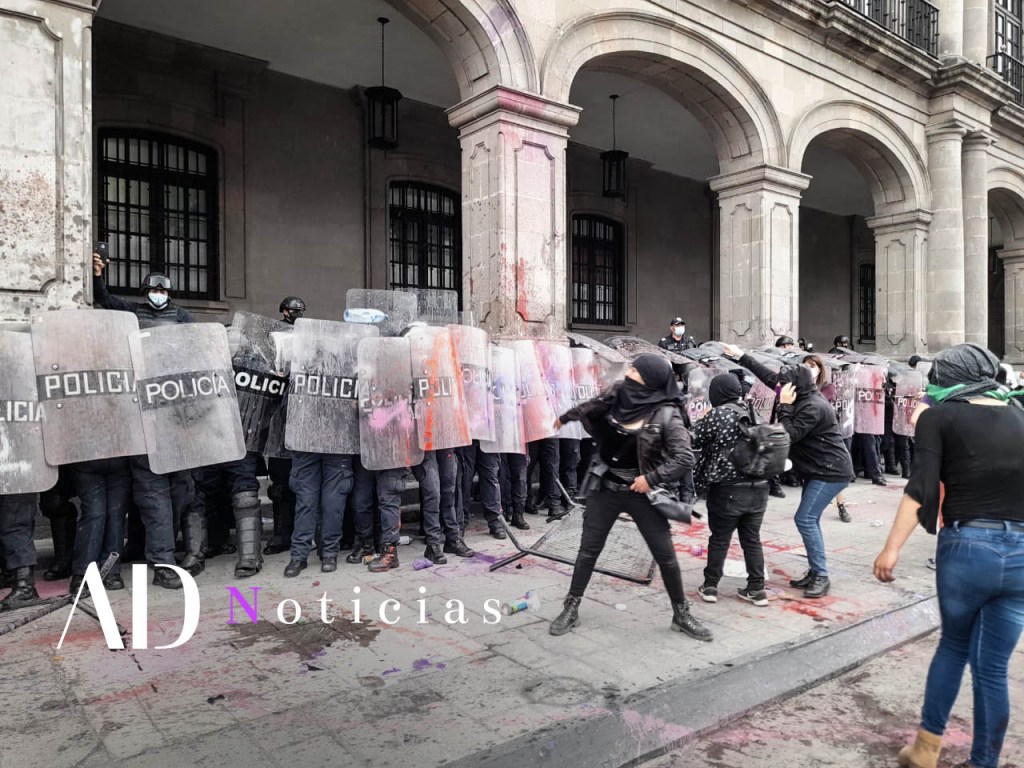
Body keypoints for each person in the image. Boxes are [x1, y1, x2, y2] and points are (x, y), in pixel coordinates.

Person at [873, 343, 1024, 768]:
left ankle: (926, 749)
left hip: (968, 545)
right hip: (1020, 554)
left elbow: (921, 488)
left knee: (954, 647)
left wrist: (891, 548)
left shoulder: (938, 417)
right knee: (992, 670)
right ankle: (984, 762)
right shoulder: (1019, 414)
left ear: (947, 379)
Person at [548, 354, 711, 641]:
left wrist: (651, 479)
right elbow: (591, 406)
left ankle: (681, 613)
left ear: (650, 379)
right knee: (588, 551)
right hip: (606, 489)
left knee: (665, 555)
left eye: (636, 370)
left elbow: (685, 458)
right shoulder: (618, 394)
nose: (629, 372)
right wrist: (565, 417)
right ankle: (570, 607)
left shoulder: (666, 413)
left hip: (643, 494)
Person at [93, 253, 193, 589]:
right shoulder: (133, 314)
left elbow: (199, 351)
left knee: (180, 493)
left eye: (163, 291)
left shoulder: (182, 317)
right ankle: (163, 563)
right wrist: (97, 276)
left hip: (176, 418)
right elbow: (105, 301)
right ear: (145, 292)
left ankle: (154, 549)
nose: (158, 295)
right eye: (154, 290)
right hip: (143, 417)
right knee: (154, 495)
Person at [725, 344, 853, 598]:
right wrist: (741, 356)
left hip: (831, 471)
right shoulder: (801, 393)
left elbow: (788, 435)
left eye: (784, 385)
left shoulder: (813, 406)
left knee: (805, 519)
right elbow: (770, 377)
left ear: (794, 387)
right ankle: (816, 571)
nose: (780, 388)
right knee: (809, 520)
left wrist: (783, 406)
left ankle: (821, 575)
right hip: (817, 470)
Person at [690, 372, 770, 607]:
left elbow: (694, 439)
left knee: (720, 538)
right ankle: (757, 589)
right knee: (752, 539)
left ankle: (710, 586)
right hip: (759, 487)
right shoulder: (755, 412)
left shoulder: (719, 413)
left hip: (727, 488)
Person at [806, 354, 853, 523]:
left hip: (825, 436)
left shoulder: (827, 387)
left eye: (812, 366)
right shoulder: (799, 386)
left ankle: (841, 504)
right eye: (805, 366)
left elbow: (819, 403)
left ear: (820, 369)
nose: (808, 369)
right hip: (808, 436)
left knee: (831, 471)